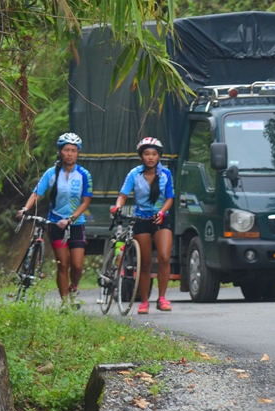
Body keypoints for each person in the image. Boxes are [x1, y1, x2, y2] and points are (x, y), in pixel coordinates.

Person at [16, 133, 93, 304]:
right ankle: (65, 303)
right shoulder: (51, 173)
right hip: (56, 223)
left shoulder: (84, 175)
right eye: (66, 150)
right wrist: (25, 208)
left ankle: (74, 287)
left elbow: (86, 202)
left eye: (73, 150)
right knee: (63, 264)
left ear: (78, 153)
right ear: (60, 152)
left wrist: (71, 219)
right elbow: (37, 193)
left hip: (76, 224)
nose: (70, 154)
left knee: (77, 265)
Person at [112, 137, 175, 314]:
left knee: (164, 257)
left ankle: (162, 298)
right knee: (145, 262)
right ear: (141, 156)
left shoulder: (166, 174)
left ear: (159, 156)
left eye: (154, 154)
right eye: (147, 154)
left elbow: (170, 197)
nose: (150, 158)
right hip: (141, 220)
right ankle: (144, 300)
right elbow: (123, 195)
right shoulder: (134, 174)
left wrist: (162, 212)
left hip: (161, 219)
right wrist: (118, 206)